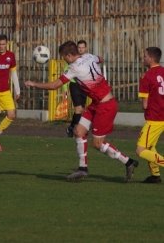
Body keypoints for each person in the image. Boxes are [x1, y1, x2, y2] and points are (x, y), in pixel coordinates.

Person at [25, 41, 139, 182]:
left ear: (69, 55)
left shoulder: (74, 68)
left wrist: (34, 84)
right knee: (78, 131)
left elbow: (55, 85)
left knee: (97, 144)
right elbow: (100, 58)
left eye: (64, 57)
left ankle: (128, 162)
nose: (64, 60)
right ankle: (82, 168)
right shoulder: (89, 56)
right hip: (96, 103)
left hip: (105, 106)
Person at [136, 47, 164, 184]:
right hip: (162, 115)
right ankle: (155, 175)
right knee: (150, 147)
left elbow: (145, 105)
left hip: (154, 117)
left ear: (151, 59)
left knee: (140, 150)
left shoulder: (147, 76)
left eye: (145, 56)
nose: (143, 58)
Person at [64, 40, 88, 138]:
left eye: (82, 47)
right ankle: (78, 131)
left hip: (84, 86)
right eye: (79, 48)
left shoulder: (87, 59)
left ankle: (71, 127)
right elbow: (65, 73)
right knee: (79, 109)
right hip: (75, 85)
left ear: (85, 48)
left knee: (81, 110)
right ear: (77, 49)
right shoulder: (72, 59)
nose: (81, 49)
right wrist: (65, 87)